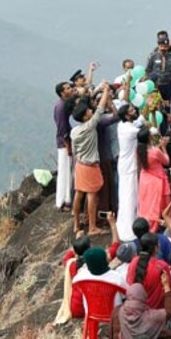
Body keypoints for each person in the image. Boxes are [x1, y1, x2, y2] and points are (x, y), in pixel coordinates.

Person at [71, 82, 113, 236]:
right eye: (88, 111)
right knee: (92, 195)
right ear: (84, 116)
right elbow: (101, 108)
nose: (91, 111)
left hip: (79, 164)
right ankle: (92, 226)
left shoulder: (75, 131)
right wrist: (107, 91)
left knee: (79, 193)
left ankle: (76, 223)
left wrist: (92, 92)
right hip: (90, 166)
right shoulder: (90, 126)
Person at [126, 233, 171, 313]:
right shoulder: (161, 266)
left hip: (137, 308)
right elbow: (170, 288)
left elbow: (129, 282)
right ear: (156, 248)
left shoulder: (133, 262)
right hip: (157, 311)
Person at [116, 104, 145, 241]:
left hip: (126, 165)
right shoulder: (129, 131)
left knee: (125, 196)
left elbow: (139, 122)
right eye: (132, 111)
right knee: (129, 197)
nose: (135, 111)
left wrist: (148, 109)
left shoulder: (123, 125)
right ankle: (128, 230)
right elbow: (146, 131)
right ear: (127, 116)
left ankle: (125, 223)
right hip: (129, 167)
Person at [136, 131, 171, 230]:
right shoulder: (155, 151)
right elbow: (166, 161)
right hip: (157, 180)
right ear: (149, 138)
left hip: (144, 180)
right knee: (157, 205)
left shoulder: (138, 150)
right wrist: (163, 147)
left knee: (147, 205)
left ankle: (144, 225)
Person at [54, 82, 76, 211]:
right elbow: (62, 129)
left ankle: (66, 199)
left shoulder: (64, 104)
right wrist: (68, 146)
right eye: (67, 88)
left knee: (67, 170)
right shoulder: (61, 107)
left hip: (65, 141)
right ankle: (62, 201)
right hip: (64, 143)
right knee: (64, 171)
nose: (70, 89)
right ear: (62, 93)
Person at [146, 37, 171, 103]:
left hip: (167, 85)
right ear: (158, 46)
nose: (163, 48)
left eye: (165, 46)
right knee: (157, 104)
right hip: (156, 86)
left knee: (167, 104)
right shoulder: (153, 56)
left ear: (168, 47)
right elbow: (147, 70)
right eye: (161, 46)